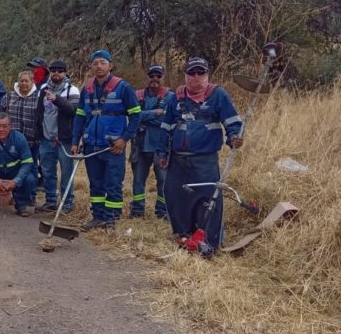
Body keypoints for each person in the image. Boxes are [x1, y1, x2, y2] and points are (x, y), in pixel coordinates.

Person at [157, 57, 243, 250]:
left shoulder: (218, 95)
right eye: (192, 73)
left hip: (205, 161)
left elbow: (232, 123)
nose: (196, 77)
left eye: (201, 73)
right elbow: (165, 128)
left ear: (207, 75)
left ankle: (209, 242)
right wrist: (161, 153)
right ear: (186, 75)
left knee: (207, 199)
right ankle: (184, 237)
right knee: (175, 196)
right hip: (178, 160)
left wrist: (234, 138)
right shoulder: (176, 98)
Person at [71, 50, 141, 230]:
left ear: (110, 65)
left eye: (103, 62)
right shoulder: (86, 89)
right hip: (91, 145)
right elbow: (79, 117)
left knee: (113, 183)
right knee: (95, 184)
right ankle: (98, 216)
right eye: (95, 63)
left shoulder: (123, 88)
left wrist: (124, 139)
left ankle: (112, 219)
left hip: (113, 147)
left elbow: (136, 117)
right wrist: (75, 141)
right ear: (91, 67)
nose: (99, 66)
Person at [34, 60, 80, 213]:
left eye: (60, 70)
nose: (56, 73)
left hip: (64, 140)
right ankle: (51, 201)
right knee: (48, 172)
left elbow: (73, 110)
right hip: (46, 139)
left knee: (66, 173)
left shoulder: (72, 90)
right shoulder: (43, 89)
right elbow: (39, 113)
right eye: (53, 70)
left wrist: (57, 99)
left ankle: (67, 204)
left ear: (65, 73)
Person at [130, 64, 174, 219]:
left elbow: (167, 119)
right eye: (151, 75)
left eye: (158, 75)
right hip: (140, 145)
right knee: (137, 180)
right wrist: (155, 113)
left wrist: (144, 117)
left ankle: (162, 212)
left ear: (163, 77)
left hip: (161, 146)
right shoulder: (137, 95)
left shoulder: (170, 96)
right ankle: (137, 211)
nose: (154, 78)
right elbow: (133, 116)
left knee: (163, 181)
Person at [0, 113, 36, 217]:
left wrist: (16, 181)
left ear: (11, 126)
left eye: (4, 126)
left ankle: (21, 204)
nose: (1, 129)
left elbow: (27, 163)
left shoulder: (20, 138)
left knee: (30, 178)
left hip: (14, 171)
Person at [0, 70, 41, 206]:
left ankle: (31, 196)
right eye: (21, 80)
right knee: (14, 169)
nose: (24, 83)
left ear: (32, 82)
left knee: (32, 169)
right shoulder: (9, 97)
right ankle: (14, 195)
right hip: (11, 142)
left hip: (32, 141)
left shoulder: (38, 97)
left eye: (26, 81)